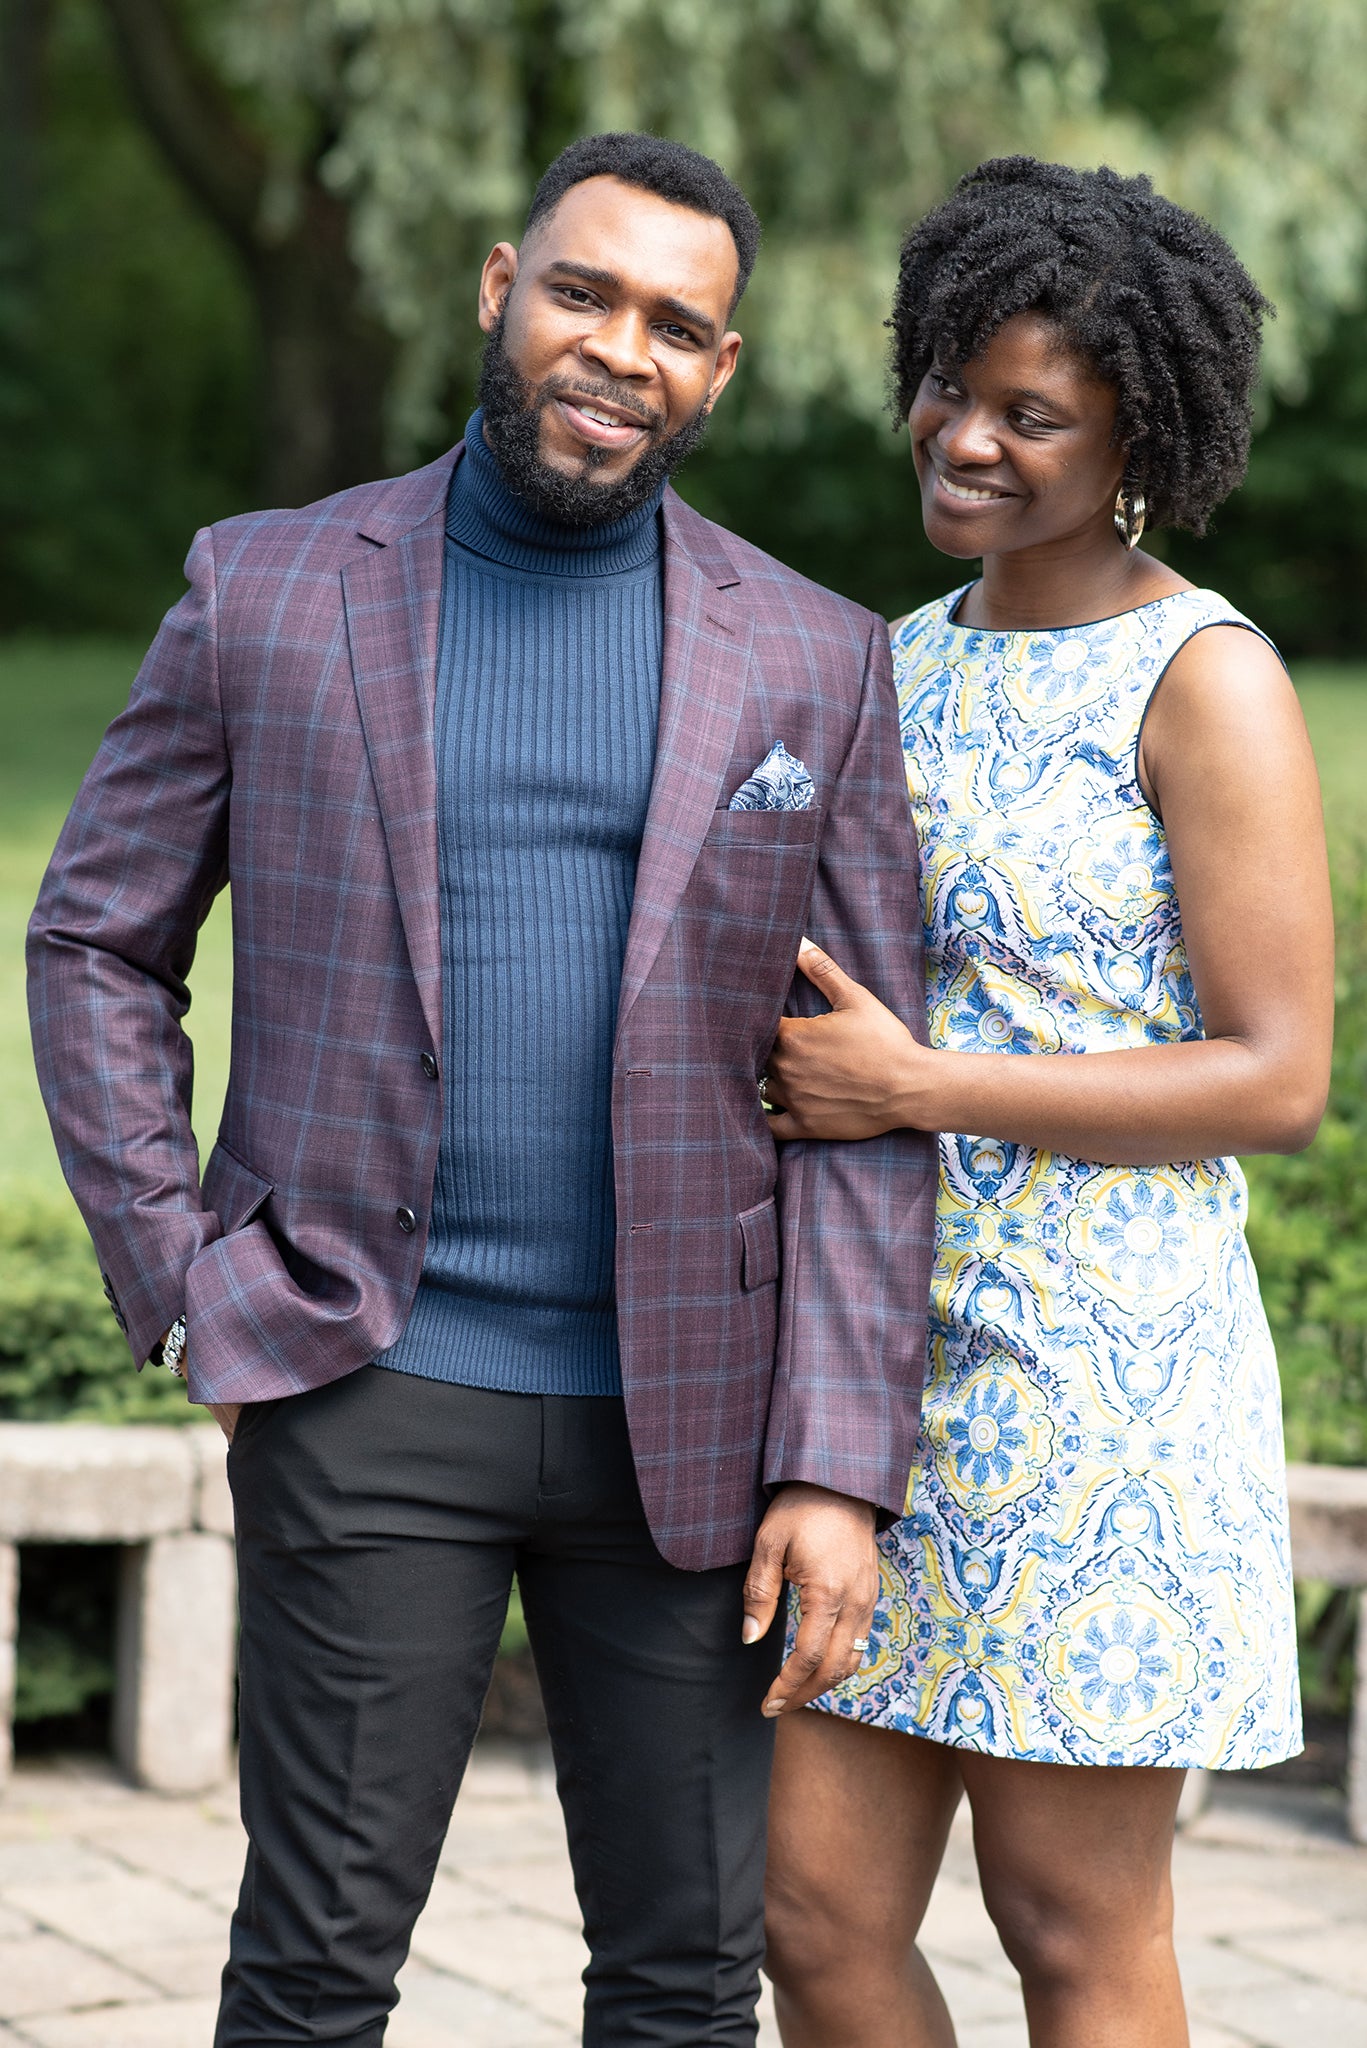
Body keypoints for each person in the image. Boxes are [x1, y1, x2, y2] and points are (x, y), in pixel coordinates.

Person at [27, 133, 938, 2047]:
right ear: (499, 285)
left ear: (725, 371)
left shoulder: (816, 655)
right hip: (368, 1382)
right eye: (585, 294)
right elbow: (100, 940)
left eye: (677, 326)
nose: (621, 349)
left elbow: (866, 1100)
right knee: (312, 1967)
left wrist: (841, 1461)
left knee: (690, 1984)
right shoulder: (266, 590)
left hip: (695, 1429)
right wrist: (181, 1271)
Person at [760, 157, 1334, 2048]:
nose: (970, 441)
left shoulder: (1203, 675)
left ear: (1136, 437)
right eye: (955, 387)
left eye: (1036, 416)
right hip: (878, 1366)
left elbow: (1277, 1073)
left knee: (1068, 1925)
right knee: (809, 1911)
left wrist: (920, 1084)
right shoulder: (885, 662)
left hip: (1100, 1381)